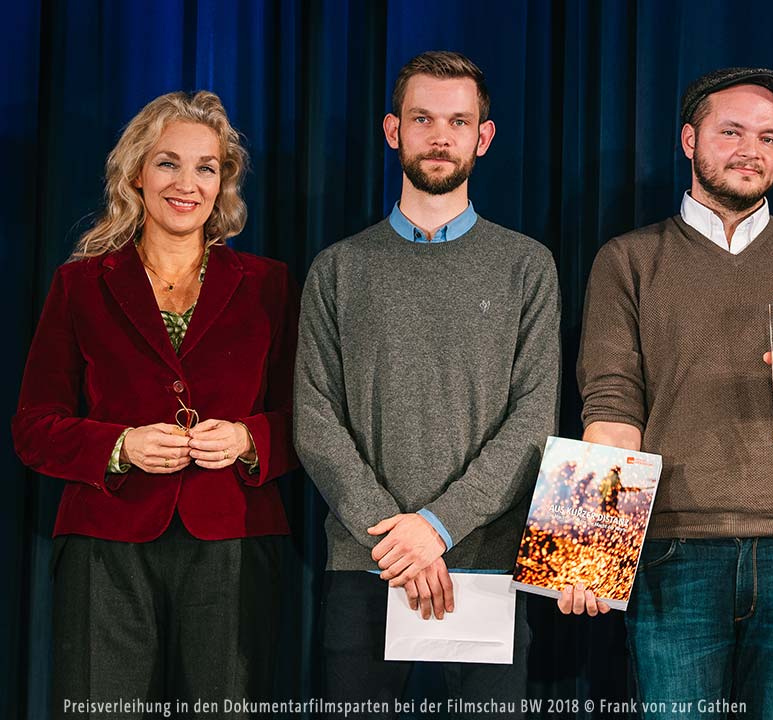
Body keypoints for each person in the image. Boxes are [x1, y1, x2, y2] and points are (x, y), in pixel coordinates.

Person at [570, 67, 773, 719]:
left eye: (769, 138)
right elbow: (611, 408)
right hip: (672, 548)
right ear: (689, 140)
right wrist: (589, 550)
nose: (752, 151)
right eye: (733, 132)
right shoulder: (627, 260)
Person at [12, 91, 298, 716]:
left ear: (223, 183)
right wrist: (118, 446)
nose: (186, 183)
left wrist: (251, 440)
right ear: (136, 173)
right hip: (104, 546)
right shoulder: (80, 284)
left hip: (234, 542)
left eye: (206, 167)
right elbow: (33, 427)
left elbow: (307, 420)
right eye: (168, 163)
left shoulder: (270, 285)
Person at [294, 51, 559, 717]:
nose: (440, 136)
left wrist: (437, 528)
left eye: (458, 121)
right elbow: (315, 422)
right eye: (422, 119)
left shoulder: (527, 266)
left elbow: (532, 423)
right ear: (393, 131)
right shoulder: (339, 269)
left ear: (483, 137)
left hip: (485, 563)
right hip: (366, 564)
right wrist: (399, 540)